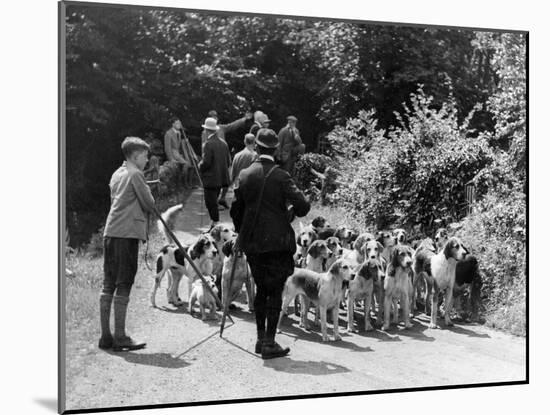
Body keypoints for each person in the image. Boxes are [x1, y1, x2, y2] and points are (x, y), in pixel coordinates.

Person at [230, 128, 310, 359]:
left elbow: (236, 210)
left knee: (261, 289)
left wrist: (242, 232)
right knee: (274, 291)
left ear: (256, 147)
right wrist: (291, 210)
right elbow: (303, 206)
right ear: (275, 149)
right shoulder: (281, 175)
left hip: (253, 242)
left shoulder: (245, 174)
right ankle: (269, 342)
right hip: (277, 243)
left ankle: (259, 339)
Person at [99, 136, 156, 352]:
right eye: (144, 155)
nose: (147, 159)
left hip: (110, 232)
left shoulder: (117, 173)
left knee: (109, 283)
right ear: (135, 156)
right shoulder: (136, 174)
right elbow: (149, 204)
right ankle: (121, 337)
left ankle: (106, 337)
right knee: (124, 283)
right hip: (127, 234)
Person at [201, 110, 253, 209]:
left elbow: (232, 125)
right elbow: (204, 147)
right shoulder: (205, 132)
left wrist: (244, 119)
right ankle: (214, 203)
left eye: (216, 116)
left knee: (227, 180)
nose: (215, 118)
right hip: (213, 159)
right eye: (212, 117)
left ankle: (222, 198)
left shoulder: (221, 128)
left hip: (224, 158)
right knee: (215, 181)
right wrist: (204, 161)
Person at [199, 117, 232, 231]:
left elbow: (206, 162)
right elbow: (228, 162)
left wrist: (200, 166)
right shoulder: (224, 143)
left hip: (210, 179)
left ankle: (216, 226)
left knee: (210, 203)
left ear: (207, 130)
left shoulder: (208, 144)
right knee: (213, 202)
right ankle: (214, 224)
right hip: (220, 179)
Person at [164, 117, 193, 190]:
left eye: (180, 123)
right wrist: (171, 159)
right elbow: (167, 148)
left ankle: (187, 183)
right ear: (173, 124)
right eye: (177, 123)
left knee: (190, 164)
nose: (179, 125)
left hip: (178, 154)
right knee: (186, 164)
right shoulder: (168, 134)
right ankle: (181, 184)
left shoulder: (179, 133)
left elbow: (178, 146)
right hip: (173, 154)